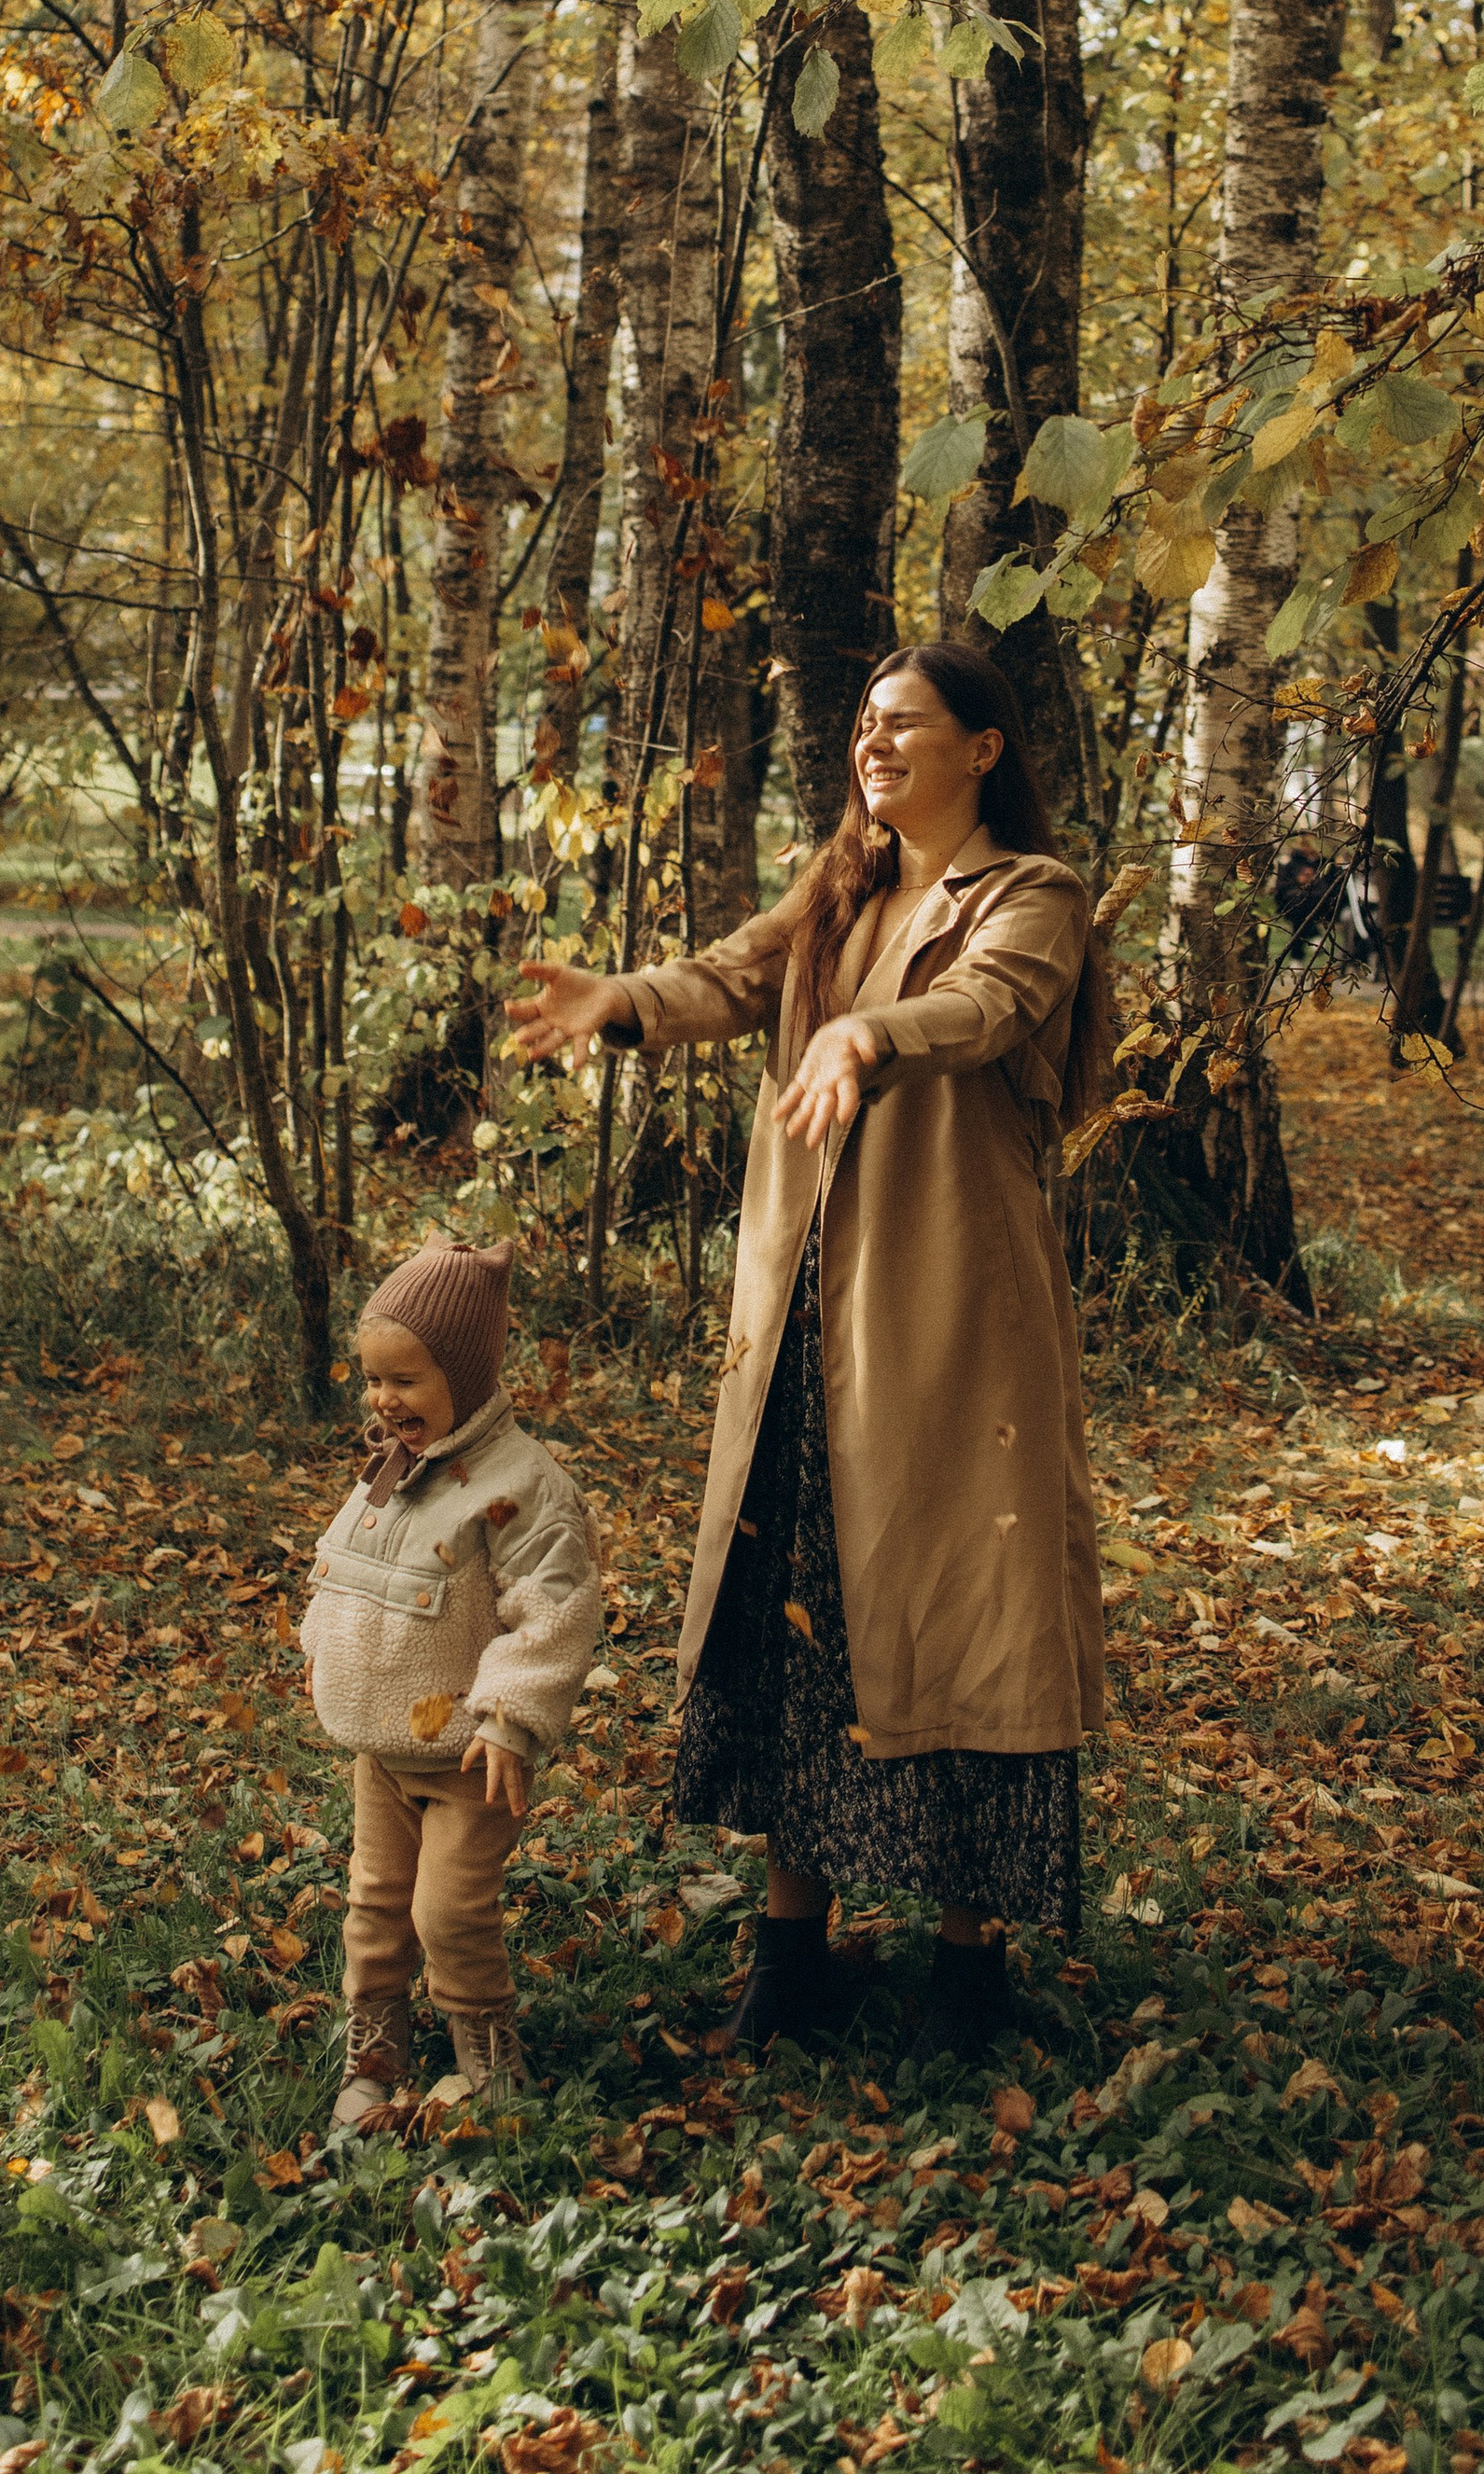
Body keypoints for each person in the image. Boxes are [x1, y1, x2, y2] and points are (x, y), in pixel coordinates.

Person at [509, 641, 1113, 2064]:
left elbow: (985, 1014)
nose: (875, 745)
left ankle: (970, 1971)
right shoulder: (840, 886)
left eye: (905, 725)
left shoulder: (1033, 896)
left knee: (969, 1616)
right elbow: (732, 977)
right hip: (800, 1319)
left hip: (953, 1326)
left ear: (984, 749)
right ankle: (791, 1955)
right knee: (797, 1612)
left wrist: (863, 1039)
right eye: (863, 725)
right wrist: (623, 998)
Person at [300, 1234, 602, 2128]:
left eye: (406, 1379)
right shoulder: (386, 1475)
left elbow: (554, 1608)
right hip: (383, 1750)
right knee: (376, 1904)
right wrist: (323, 1640)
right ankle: (378, 2041)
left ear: (465, 1376)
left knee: (448, 1910)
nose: (383, 1399)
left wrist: (512, 1715)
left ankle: (483, 2041)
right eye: (372, 1378)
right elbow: (340, 1569)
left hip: (471, 1757)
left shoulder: (522, 1486)